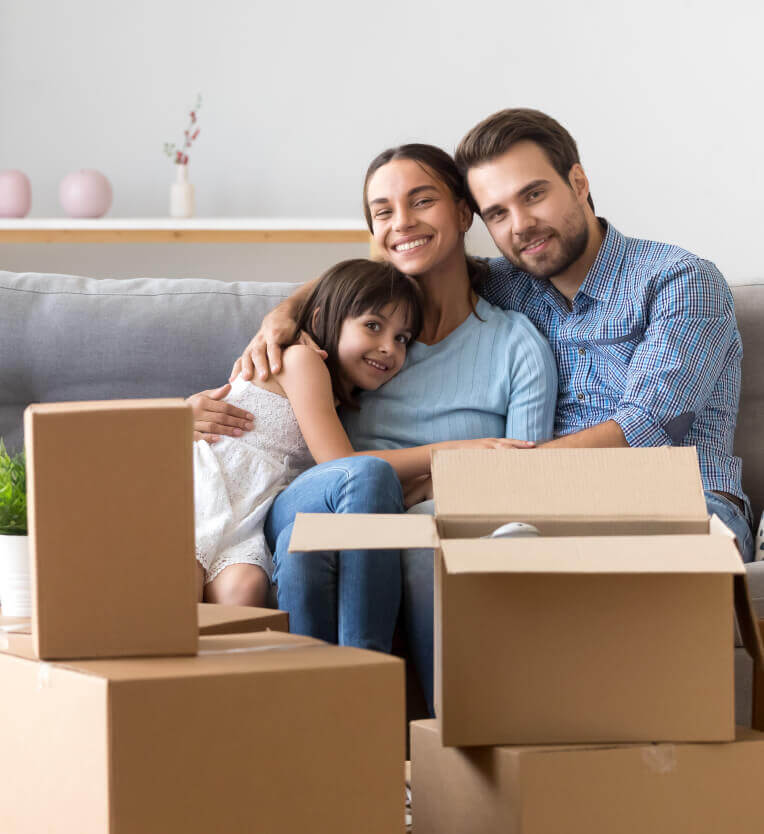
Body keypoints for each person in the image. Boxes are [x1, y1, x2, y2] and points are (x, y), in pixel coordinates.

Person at [191, 144, 557, 688]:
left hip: (407, 516)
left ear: (464, 213)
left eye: (422, 201)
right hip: (313, 497)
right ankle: (364, 693)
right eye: (383, 211)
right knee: (362, 479)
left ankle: (358, 721)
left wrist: (425, 488)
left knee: (338, 527)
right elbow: (312, 347)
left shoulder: (515, 343)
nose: (402, 222)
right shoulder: (339, 332)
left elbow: (518, 479)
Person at [451, 107, 753, 560]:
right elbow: (396, 285)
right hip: (547, 510)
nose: (520, 225)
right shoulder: (504, 285)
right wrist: (301, 303)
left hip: (687, 506)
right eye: (497, 214)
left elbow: (646, 425)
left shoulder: (679, 279)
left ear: (578, 182)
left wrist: (501, 478)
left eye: (533, 194)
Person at [194, 258, 426, 617]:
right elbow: (342, 466)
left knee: (245, 592)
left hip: (248, 515)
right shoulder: (301, 359)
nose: (389, 348)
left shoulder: (337, 403)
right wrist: (451, 453)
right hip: (205, 488)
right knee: (180, 583)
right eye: (373, 326)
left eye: (401, 338)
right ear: (320, 320)